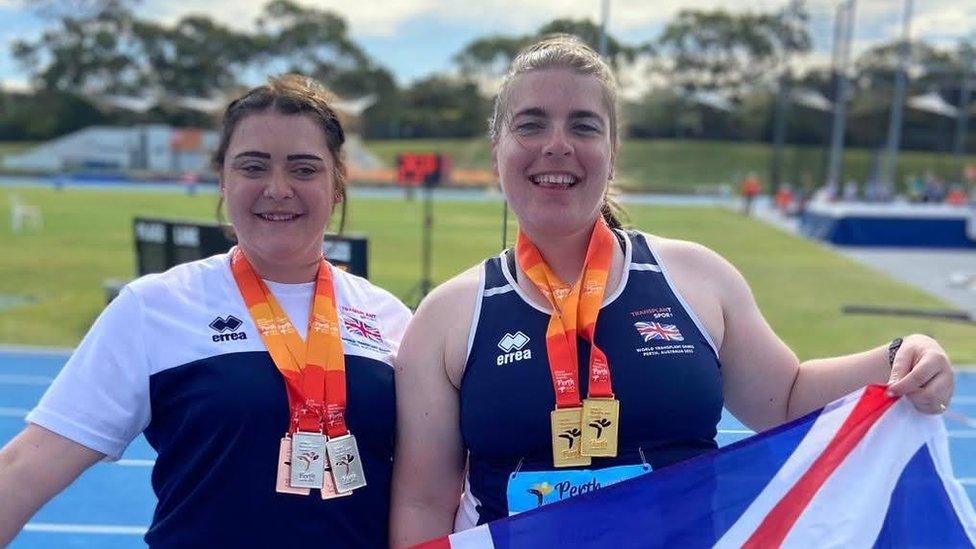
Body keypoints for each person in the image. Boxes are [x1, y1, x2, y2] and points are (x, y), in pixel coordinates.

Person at [389, 36, 955, 547]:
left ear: (612, 154)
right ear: (497, 151)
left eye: (584, 125)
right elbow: (423, 503)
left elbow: (785, 399)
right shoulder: (448, 317)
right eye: (531, 124)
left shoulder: (695, 278)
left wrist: (900, 357)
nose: (557, 145)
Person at [0, 75, 411, 547]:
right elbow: (25, 467)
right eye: (253, 167)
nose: (278, 189)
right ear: (222, 179)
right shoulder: (154, 307)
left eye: (303, 169)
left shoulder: (391, 319)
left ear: (337, 183)